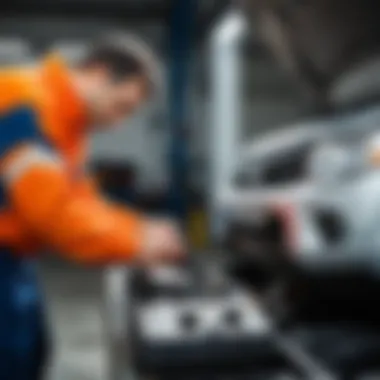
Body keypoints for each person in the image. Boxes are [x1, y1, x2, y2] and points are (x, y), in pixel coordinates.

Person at [0, 33, 185, 379]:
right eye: (122, 107)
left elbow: (81, 202)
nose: (119, 122)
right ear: (99, 73)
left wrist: (139, 230)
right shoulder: (27, 104)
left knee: (31, 351)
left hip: (13, 259)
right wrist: (136, 242)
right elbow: (51, 214)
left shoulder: (66, 125)